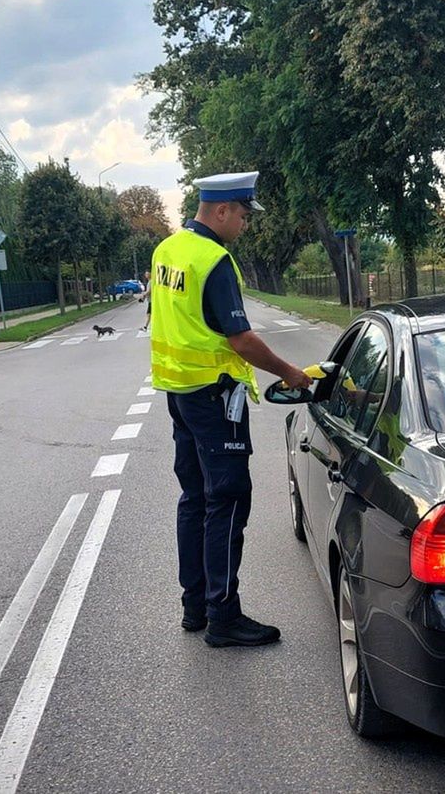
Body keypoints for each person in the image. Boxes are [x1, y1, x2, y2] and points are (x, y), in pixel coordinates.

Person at [149, 171, 312, 647]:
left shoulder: (167, 250)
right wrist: (290, 372)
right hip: (215, 399)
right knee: (228, 498)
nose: (245, 223)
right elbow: (240, 339)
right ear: (221, 211)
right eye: (243, 214)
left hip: (179, 394)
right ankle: (223, 615)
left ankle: (195, 606)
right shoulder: (214, 260)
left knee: (195, 498)